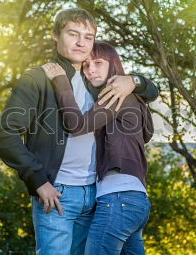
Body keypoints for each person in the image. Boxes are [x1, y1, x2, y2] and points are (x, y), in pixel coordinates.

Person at [0, 8, 158, 255]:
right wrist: (37, 180)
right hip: (57, 193)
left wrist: (134, 80)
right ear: (55, 35)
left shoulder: (97, 81)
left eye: (88, 37)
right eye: (73, 34)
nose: (81, 42)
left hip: (97, 196)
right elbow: (5, 134)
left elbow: (150, 94)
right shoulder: (38, 79)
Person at [42, 41, 153, 255]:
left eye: (98, 63)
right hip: (136, 201)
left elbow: (77, 126)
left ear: (113, 65)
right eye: (86, 65)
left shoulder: (115, 94)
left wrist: (60, 82)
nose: (91, 69)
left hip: (117, 200)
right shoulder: (134, 98)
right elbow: (146, 134)